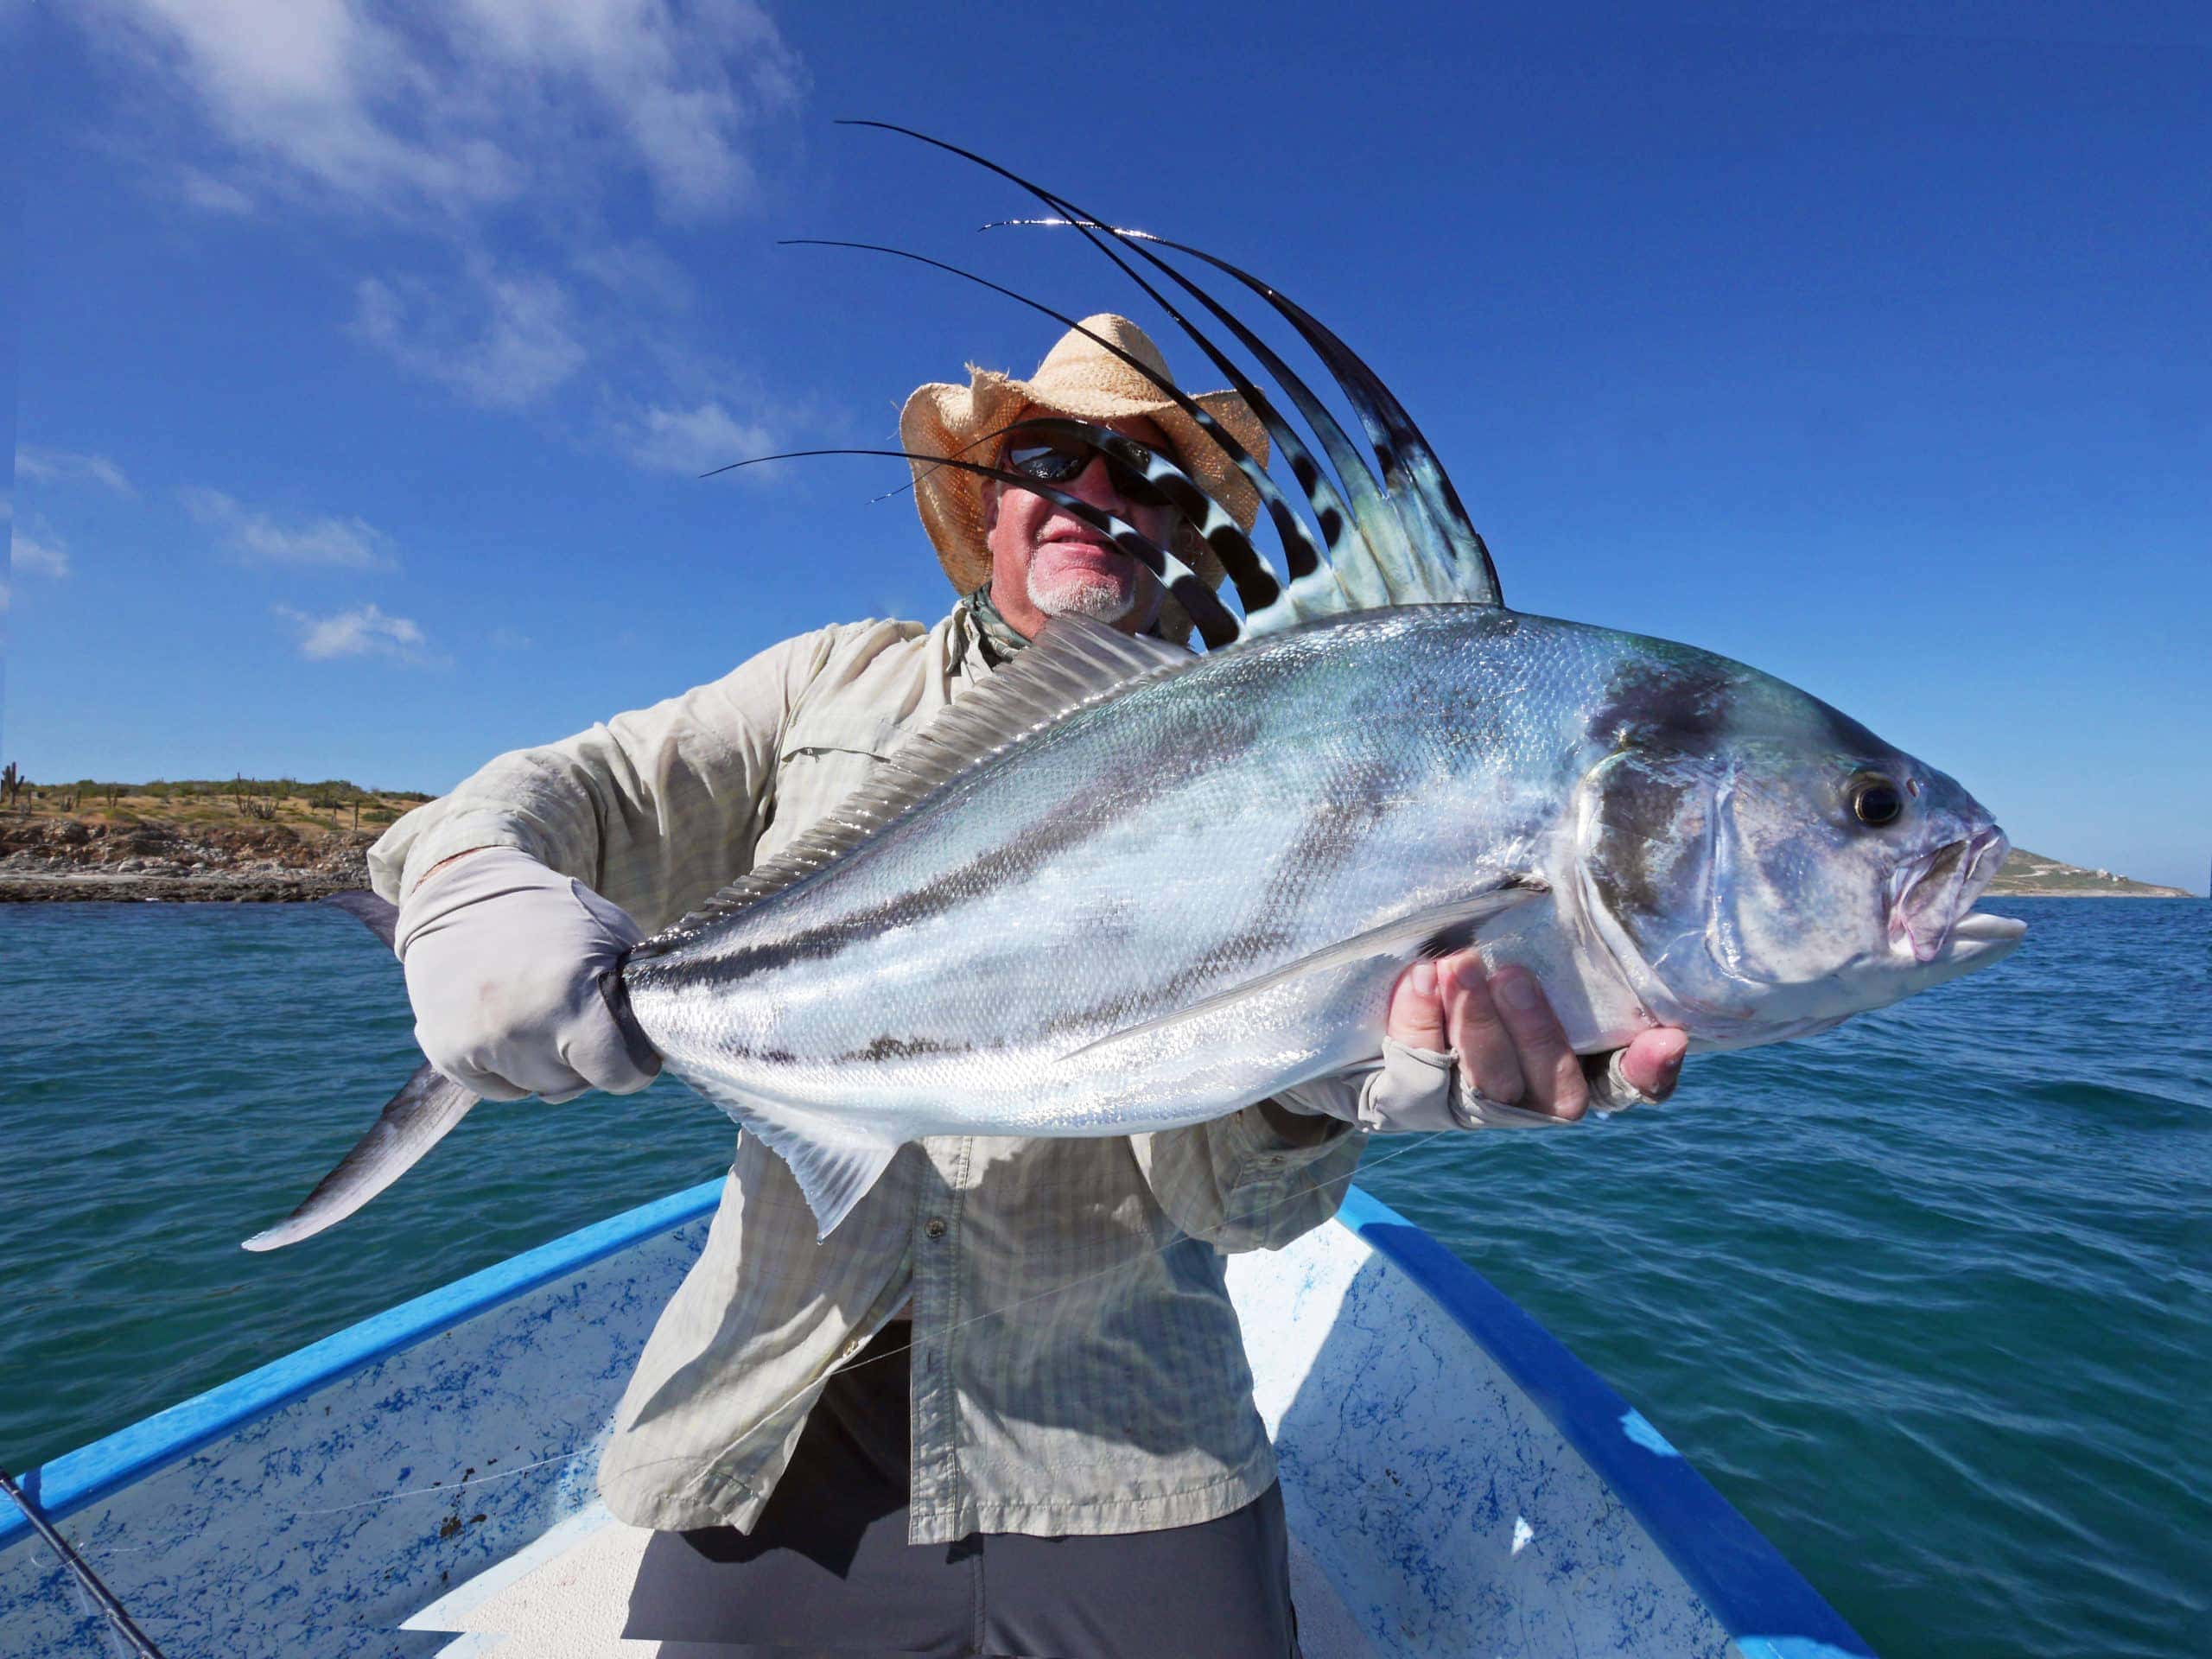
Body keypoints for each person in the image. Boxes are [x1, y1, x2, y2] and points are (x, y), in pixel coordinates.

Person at [368, 315, 1687, 1657]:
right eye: (1051, 456)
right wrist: (472, 883)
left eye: (1148, 471)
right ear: (986, 503)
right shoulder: (829, 684)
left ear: (1180, 526)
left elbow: (1239, 1210)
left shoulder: (1272, 752)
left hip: (1131, 1431)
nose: (1098, 492)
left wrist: (1321, 1083)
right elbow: (583, 789)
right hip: (784, 1409)